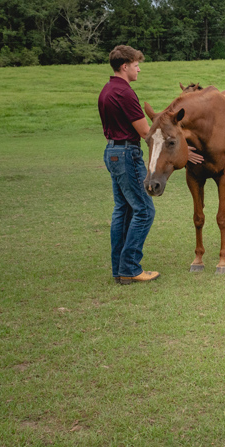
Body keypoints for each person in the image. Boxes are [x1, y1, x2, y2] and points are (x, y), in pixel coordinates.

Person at [98, 45, 160, 284]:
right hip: (127, 153)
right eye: (136, 65)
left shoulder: (107, 90)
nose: (139, 69)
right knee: (144, 210)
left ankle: (120, 269)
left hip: (112, 150)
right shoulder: (125, 92)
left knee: (122, 211)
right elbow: (145, 131)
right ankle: (131, 268)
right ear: (124, 66)